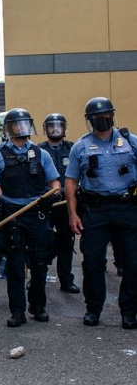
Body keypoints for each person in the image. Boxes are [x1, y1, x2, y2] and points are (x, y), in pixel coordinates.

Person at [0, 108, 61, 328]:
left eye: (24, 124)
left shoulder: (41, 154)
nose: (21, 129)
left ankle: (38, 306)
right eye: (16, 125)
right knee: (15, 267)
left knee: (40, 263)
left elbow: (56, 184)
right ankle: (18, 311)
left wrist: (49, 197)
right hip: (12, 216)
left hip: (37, 214)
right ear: (8, 129)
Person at [65, 97, 137, 329]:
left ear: (112, 115)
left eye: (105, 115)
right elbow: (71, 182)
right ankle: (93, 309)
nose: (101, 120)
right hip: (95, 210)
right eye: (96, 117)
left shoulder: (130, 141)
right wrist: (72, 214)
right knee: (93, 262)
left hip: (127, 208)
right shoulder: (81, 146)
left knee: (133, 263)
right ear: (89, 120)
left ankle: (129, 312)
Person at [37, 113, 80, 294]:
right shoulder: (38, 150)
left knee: (66, 241)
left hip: (65, 202)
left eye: (59, 126)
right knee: (41, 242)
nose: (55, 129)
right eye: (51, 126)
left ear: (64, 128)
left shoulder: (72, 149)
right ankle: (38, 279)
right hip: (45, 202)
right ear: (45, 129)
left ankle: (66, 280)